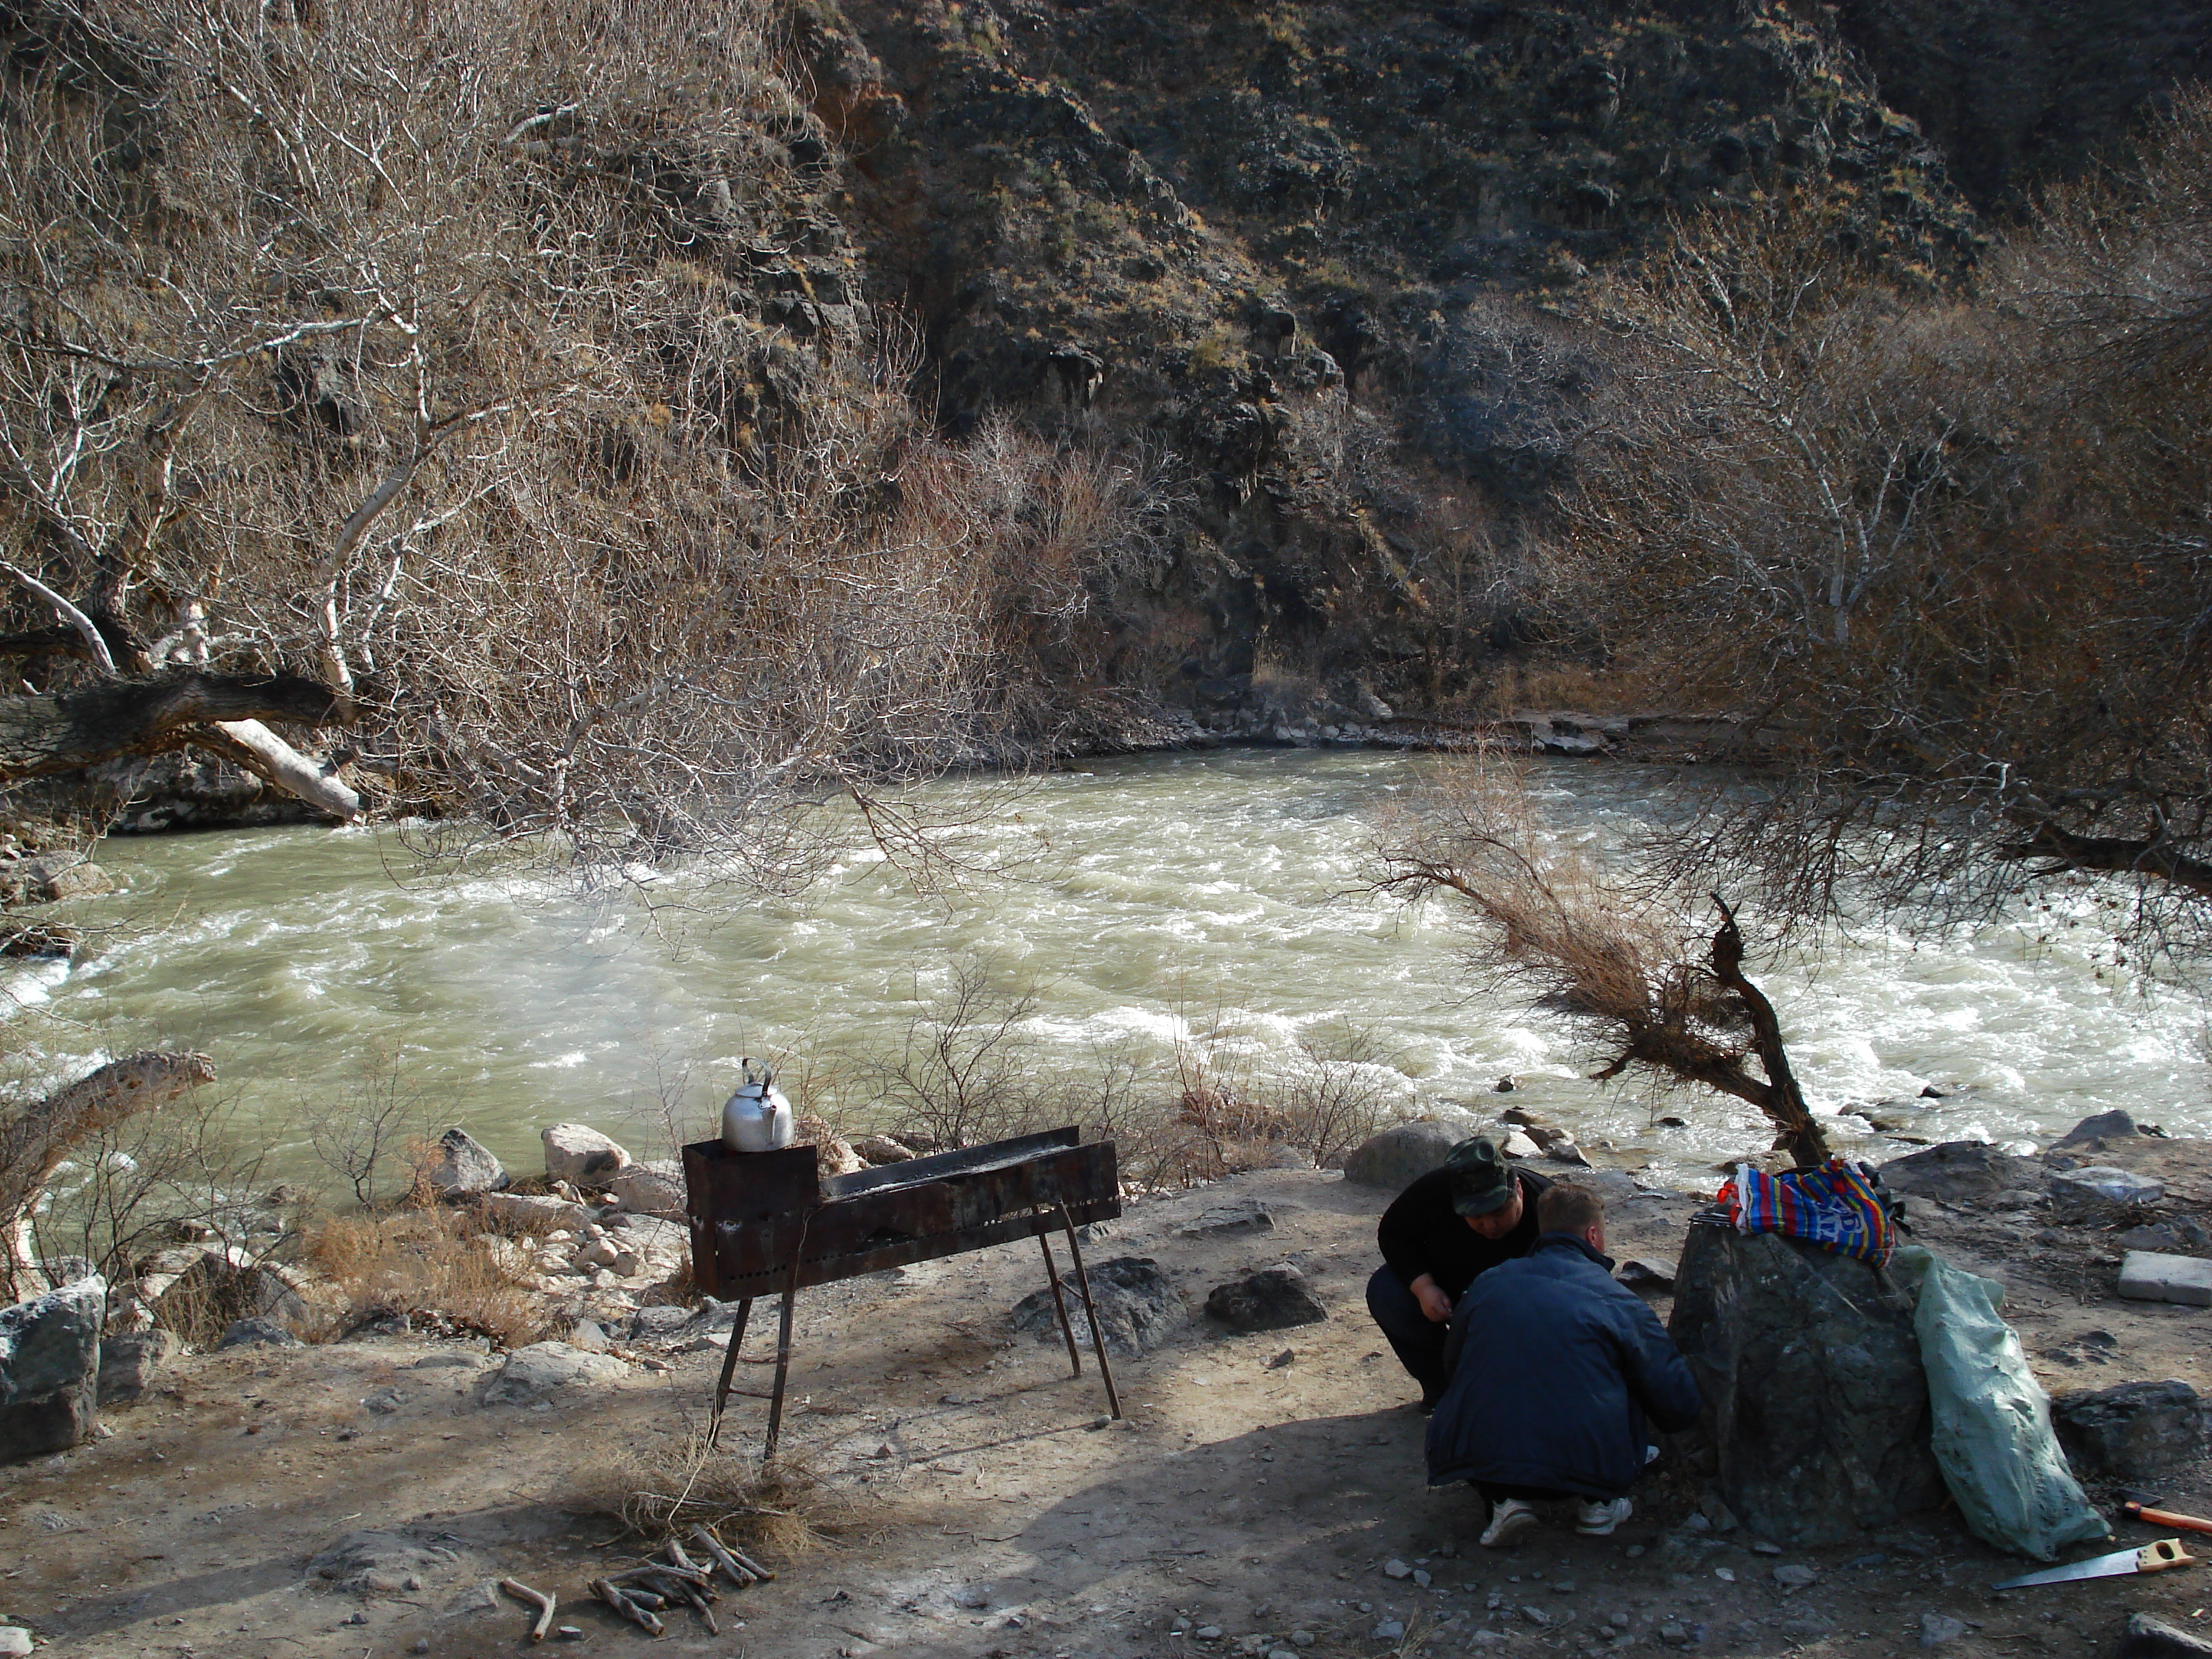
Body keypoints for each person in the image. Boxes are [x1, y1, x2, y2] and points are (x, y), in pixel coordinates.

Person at [1425, 1183, 1703, 1548]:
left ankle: (1504, 1502)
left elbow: (1454, 1364)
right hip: (1584, 1465)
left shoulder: (1486, 1284)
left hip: (1482, 1461)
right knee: (1622, 1374)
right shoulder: (1618, 1299)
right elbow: (1677, 1403)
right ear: (1592, 1234)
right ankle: (1599, 1505)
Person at [1366, 1136, 1552, 1408]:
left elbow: (1582, 1273)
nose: (1489, 1224)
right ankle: (1445, 1391)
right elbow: (1394, 1234)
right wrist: (1424, 1288)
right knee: (1387, 1292)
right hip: (1451, 1290)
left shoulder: (1549, 1205)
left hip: (1527, 1304)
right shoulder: (1435, 1190)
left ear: (1518, 1190)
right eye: (1475, 1215)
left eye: (1499, 1211)